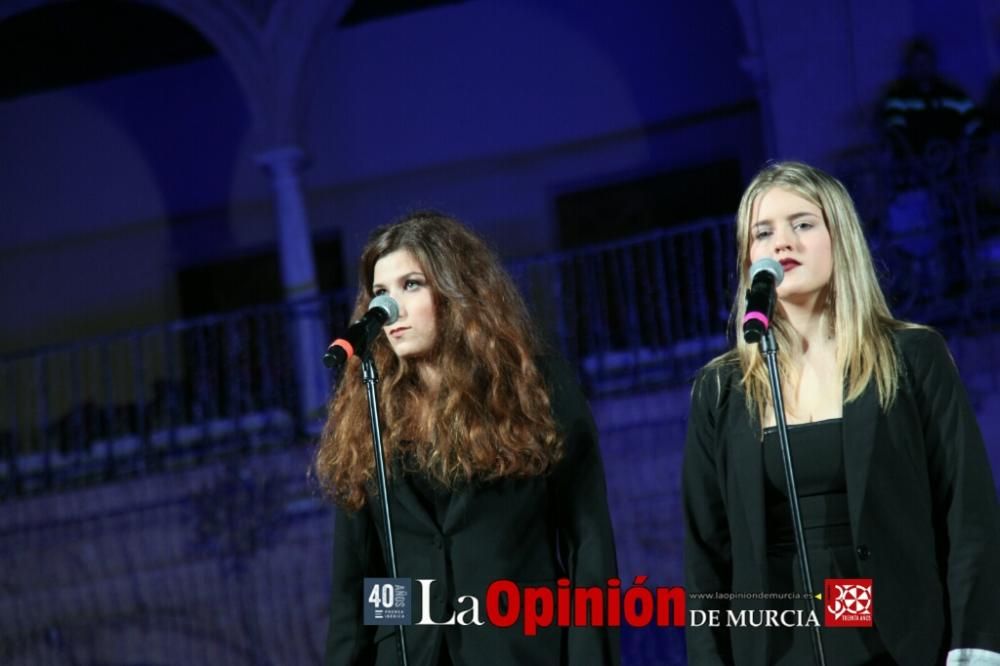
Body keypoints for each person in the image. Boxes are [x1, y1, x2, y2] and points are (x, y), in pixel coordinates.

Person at [682, 161, 1000, 665]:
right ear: (748, 259)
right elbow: (706, 554)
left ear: (840, 238)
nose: (782, 243)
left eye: (803, 224)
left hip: (896, 638)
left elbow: (968, 510)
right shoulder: (722, 389)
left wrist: (977, 645)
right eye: (763, 233)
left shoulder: (911, 357)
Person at [315, 212, 620, 666]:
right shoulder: (369, 408)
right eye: (381, 293)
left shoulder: (532, 386)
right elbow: (358, 579)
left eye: (411, 285)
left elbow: (587, 546)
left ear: (456, 292)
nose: (391, 307)